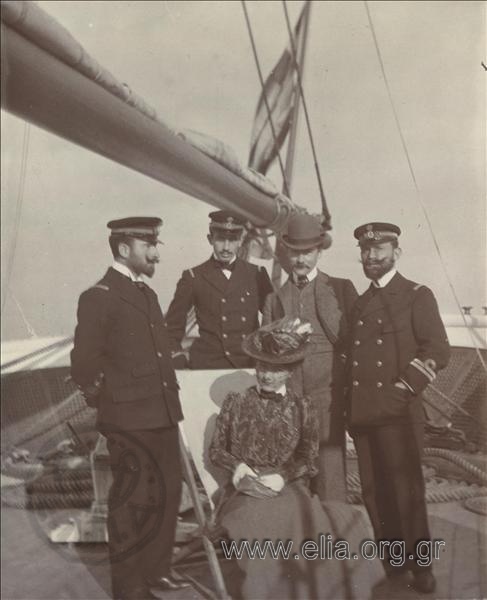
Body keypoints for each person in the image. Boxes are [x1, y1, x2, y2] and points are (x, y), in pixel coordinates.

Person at [209, 317, 381, 600]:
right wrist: (238, 467)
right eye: (262, 366)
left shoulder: (303, 407)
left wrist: (282, 476)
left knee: (319, 520)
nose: (266, 375)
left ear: (289, 371)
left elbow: (308, 457)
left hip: (287, 486)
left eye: (275, 370)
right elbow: (217, 450)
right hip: (243, 490)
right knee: (260, 522)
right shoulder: (235, 403)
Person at [70, 217, 189, 600]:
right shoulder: (99, 296)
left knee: (169, 493)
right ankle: (130, 587)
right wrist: (103, 397)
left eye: (155, 244)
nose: (155, 252)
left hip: (162, 412)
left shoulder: (147, 294)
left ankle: (157, 573)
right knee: (133, 501)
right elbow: (84, 361)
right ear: (124, 249)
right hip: (128, 417)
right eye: (148, 245)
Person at [346, 222, 451, 594]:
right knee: (374, 493)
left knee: (406, 492)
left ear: (396, 252)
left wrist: (403, 388)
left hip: (398, 413)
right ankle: (394, 564)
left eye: (380, 249)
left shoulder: (416, 295)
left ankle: (421, 568)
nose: (372, 257)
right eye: (366, 251)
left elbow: (438, 349)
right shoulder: (360, 303)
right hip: (364, 417)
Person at [263, 213, 358, 502]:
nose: (300, 259)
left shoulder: (341, 289)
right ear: (286, 252)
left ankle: (333, 539)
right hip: (289, 399)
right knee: (292, 474)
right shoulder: (273, 300)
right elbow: (267, 357)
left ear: (318, 251)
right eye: (295, 252)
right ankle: (299, 536)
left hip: (328, 398)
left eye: (307, 252)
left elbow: (354, 344)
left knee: (330, 477)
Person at [166, 210, 273, 369]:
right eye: (221, 240)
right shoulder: (193, 277)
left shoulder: (256, 275)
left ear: (240, 241)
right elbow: (172, 328)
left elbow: (275, 318)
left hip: (248, 364)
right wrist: (175, 357)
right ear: (210, 239)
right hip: (208, 365)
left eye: (232, 240)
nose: (226, 247)